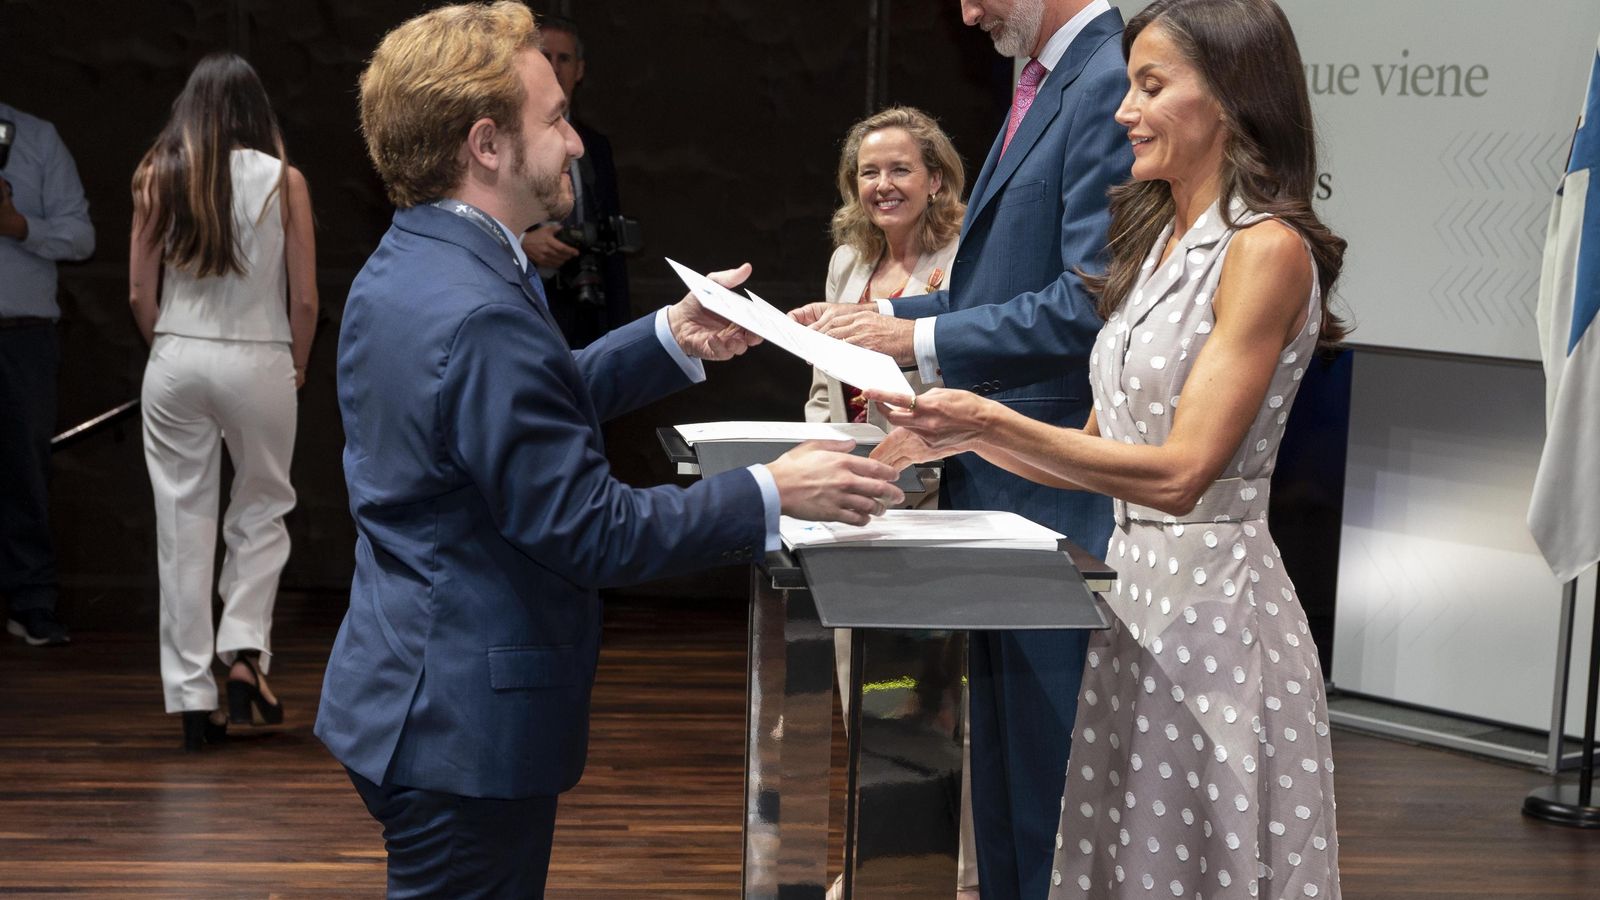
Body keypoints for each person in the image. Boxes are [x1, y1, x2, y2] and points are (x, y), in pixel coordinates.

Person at [314, 5, 903, 896]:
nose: (577, 144)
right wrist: (772, 491)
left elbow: (502, 417)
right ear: (485, 143)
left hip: (409, 685)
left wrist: (667, 336)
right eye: (553, 120)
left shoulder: (415, 260)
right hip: (461, 723)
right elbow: (592, 530)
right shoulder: (479, 306)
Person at [869, 0, 1347, 895]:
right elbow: (1081, 443)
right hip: (1129, 603)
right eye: (1128, 84)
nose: (1125, 109)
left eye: (1151, 86)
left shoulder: (1267, 249)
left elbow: (1179, 474)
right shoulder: (1158, 240)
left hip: (1212, 618)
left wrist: (985, 420)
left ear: (1233, 97)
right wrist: (929, 434)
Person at [793, 2, 1132, 896]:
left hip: (1050, 483)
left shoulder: (1103, 75)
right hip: (1002, 491)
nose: (968, 13)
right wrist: (887, 318)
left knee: (1047, 790)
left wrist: (913, 342)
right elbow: (1007, 283)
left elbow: (1087, 297)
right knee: (1010, 788)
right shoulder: (1048, 77)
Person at [803, 105, 981, 900]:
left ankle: (961, 869)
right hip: (859, 507)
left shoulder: (966, 259)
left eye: (900, 168)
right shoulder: (848, 263)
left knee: (940, 699)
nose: (883, 184)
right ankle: (875, 854)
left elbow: (980, 381)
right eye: (869, 172)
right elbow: (820, 391)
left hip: (945, 505)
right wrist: (825, 466)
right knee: (862, 688)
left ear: (934, 178)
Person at [128, 53, 318, 751]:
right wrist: (296, 366)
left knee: (182, 526)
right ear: (254, 111)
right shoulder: (283, 181)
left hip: (177, 354)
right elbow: (303, 297)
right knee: (264, 506)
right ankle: (243, 652)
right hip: (259, 354)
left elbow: (138, 294)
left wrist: (169, 345)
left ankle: (190, 698)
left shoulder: (157, 175)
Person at [0, 100, 94, 648]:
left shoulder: (36, 136)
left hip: (23, 334)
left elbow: (81, 237)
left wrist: (18, 226)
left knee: (24, 472)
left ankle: (31, 602)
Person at [519, 15, 629, 348]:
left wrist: (621, 331)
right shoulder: (511, 136)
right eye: (544, 57)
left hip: (587, 306)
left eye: (563, 59)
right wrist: (523, 241)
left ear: (579, 70)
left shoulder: (594, 145)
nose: (554, 67)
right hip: (528, 305)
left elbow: (613, 246)